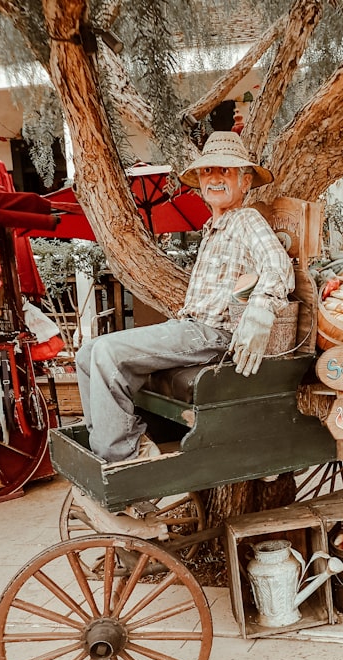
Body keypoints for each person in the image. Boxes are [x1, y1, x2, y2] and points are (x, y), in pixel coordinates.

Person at [76, 131, 294, 463]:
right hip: (191, 328)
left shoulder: (247, 220)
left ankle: (123, 461)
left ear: (245, 182)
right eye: (208, 171)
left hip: (214, 334)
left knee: (105, 351)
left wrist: (262, 309)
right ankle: (107, 446)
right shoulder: (212, 230)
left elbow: (278, 266)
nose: (215, 178)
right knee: (87, 353)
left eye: (226, 171)